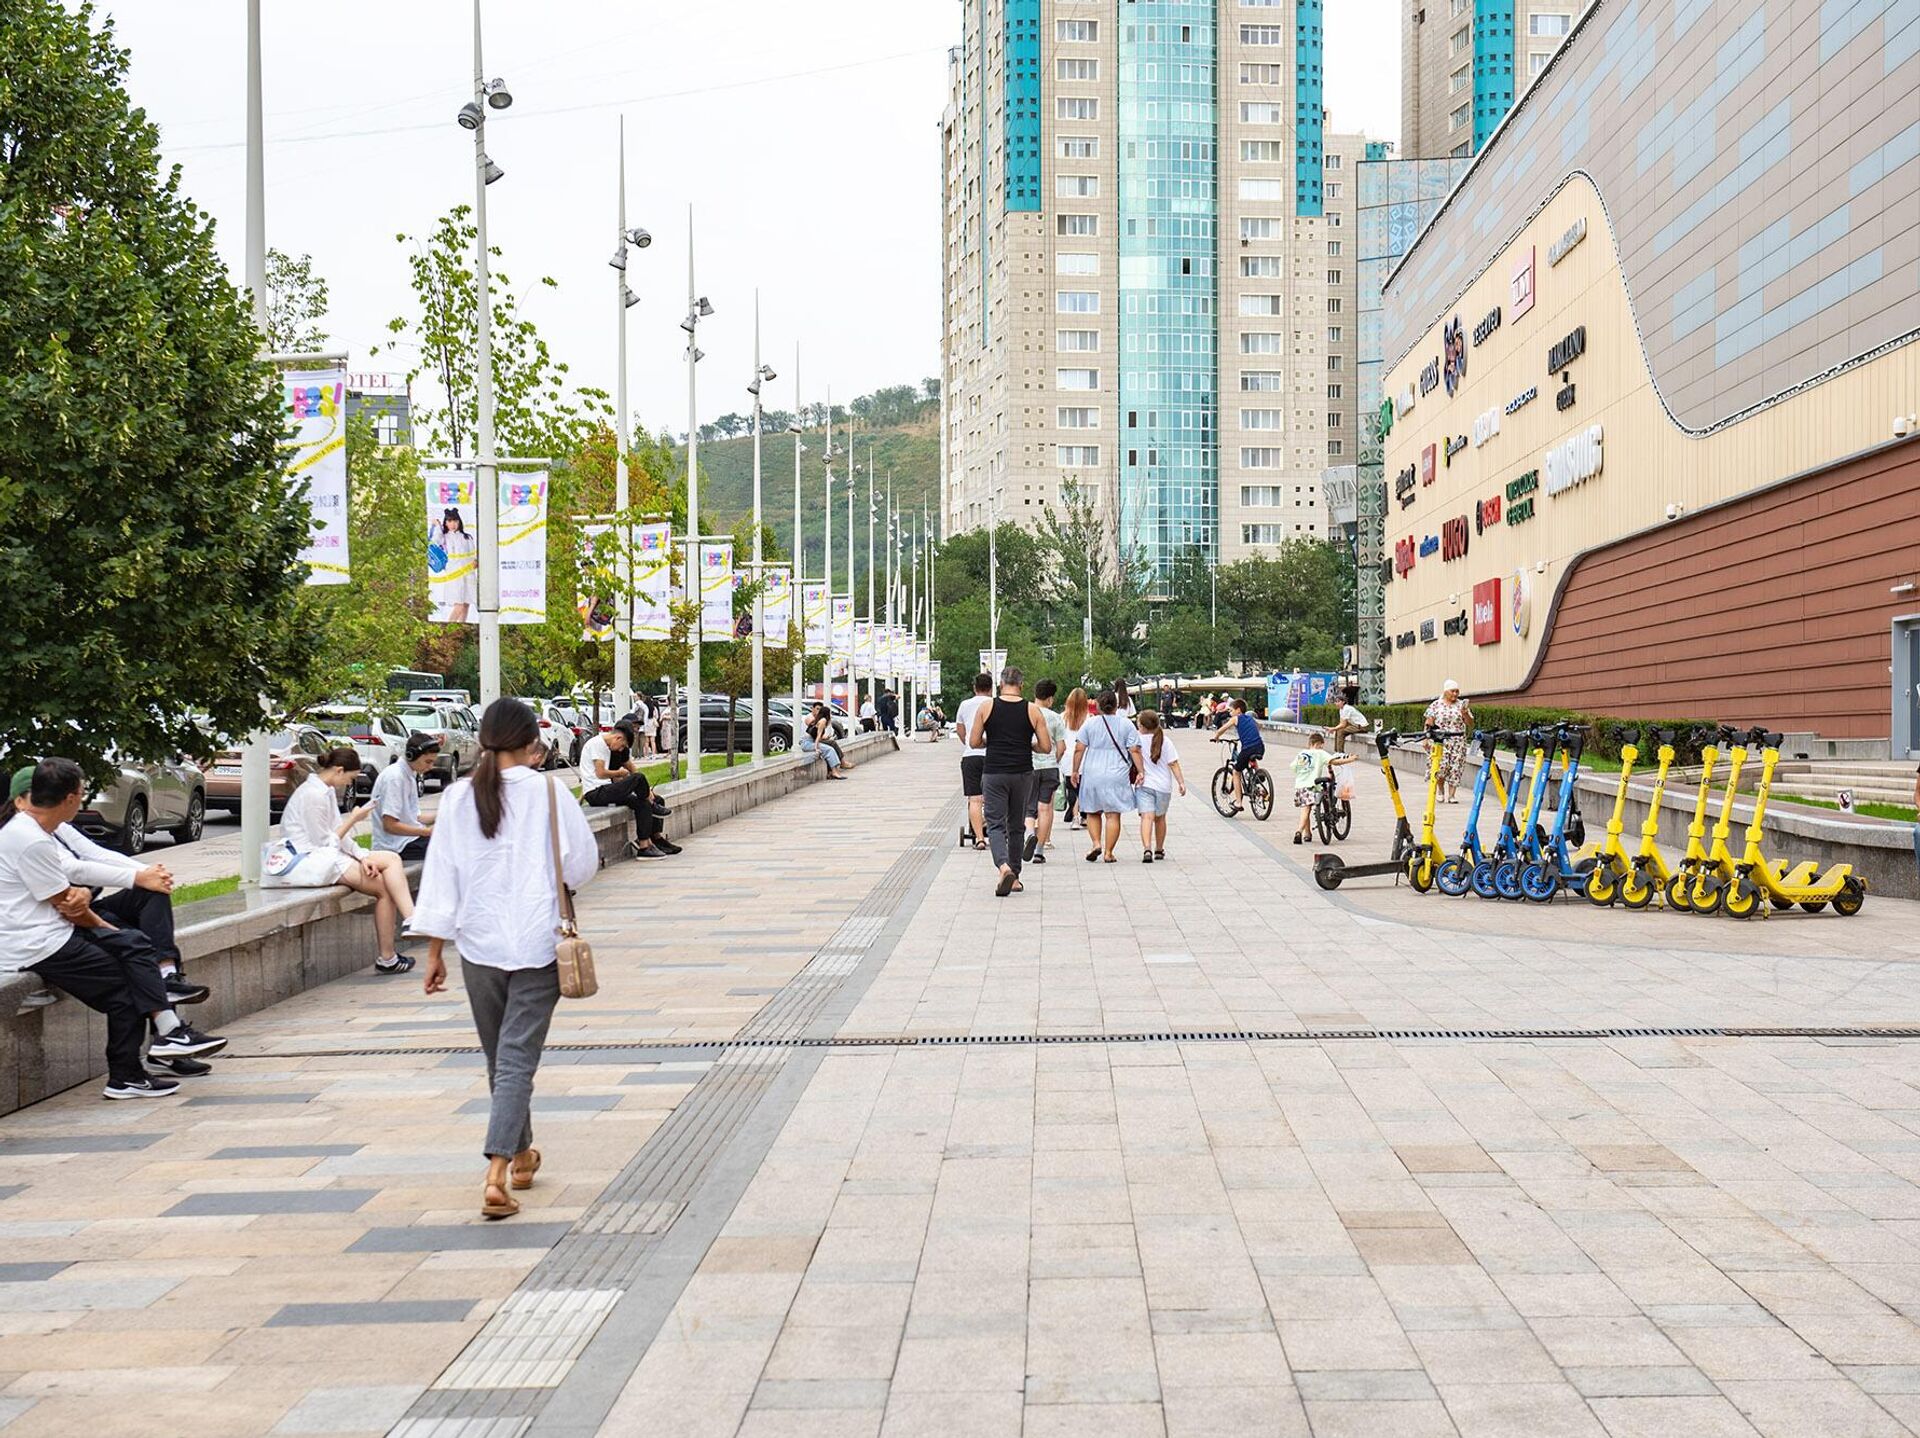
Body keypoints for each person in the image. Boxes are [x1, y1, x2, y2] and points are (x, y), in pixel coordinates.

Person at [416, 698, 599, 1219]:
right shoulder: (549, 792)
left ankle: (522, 1157)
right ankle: (496, 1174)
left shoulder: (458, 797)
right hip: (540, 942)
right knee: (516, 1058)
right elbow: (581, 866)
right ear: (530, 742)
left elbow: (441, 878)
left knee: (502, 1058)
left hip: (479, 945)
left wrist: (434, 952)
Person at [1, 759, 225, 1099]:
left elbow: (81, 877)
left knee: (134, 949)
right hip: (38, 944)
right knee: (127, 984)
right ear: (70, 798)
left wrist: (141, 877)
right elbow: (69, 905)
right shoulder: (30, 840)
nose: (83, 800)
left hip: (51, 932)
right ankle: (134, 1067)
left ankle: (159, 1038)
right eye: (82, 794)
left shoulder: (39, 830)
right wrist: (109, 928)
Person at [279, 747, 419, 974]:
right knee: (384, 889)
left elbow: (338, 836)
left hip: (327, 856)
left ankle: (411, 920)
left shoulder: (323, 790)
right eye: (350, 778)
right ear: (339, 770)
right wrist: (353, 819)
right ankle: (389, 955)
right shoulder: (313, 795)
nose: (349, 783)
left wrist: (362, 856)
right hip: (311, 861)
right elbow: (326, 844)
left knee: (392, 859)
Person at [968, 666, 1053, 896]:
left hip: (994, 772)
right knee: (1016, 825)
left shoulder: (987, 707)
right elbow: (1046, 747)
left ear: (1000, 684)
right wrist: (1029, 745)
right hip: (1022, 773)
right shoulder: (1033, 710)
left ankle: (1003, 867)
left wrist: (990, 742)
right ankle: (1014, 877)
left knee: (995, 824)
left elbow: (973, 742)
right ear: (1022, 685)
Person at [578, 723, 675, 858]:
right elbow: (600, 773)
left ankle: (644, 846)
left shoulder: (605, 746)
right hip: (596, 793)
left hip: (605, 788)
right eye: (622, 746)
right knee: (638, 778)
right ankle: (652, 804)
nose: (620, 750)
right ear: (618, 738)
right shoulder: (597, 744)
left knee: (642, 803)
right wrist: (620, 773)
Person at [1073, 689, 1145, 863]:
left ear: (1098, 705)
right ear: (1116, 705)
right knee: (1113, 815)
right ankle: (1109, 852)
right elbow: (1134, 749)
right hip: (1117, 772)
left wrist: (1075, 770)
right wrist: (1141, 771)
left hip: (1093, 771)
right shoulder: (1126, 724)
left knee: (1092, 811)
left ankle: (1096, 843)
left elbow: (1079, 749)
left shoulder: (1090, 724)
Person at [370, 733, 440, 861]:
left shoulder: (408, 775)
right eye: (428, 762)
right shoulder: (395, 778)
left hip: (408, 840)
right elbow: (390, 825)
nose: (430, 767)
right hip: (396, 846)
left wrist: (443, 815)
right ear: (411, 755)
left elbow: (414, 817)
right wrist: (427, 832)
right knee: (450, 847)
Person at [1134, 711, 1187, 862]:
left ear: (1142, 726)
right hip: (1163, 786)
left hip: (1144, 784)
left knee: (1146, 817)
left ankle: (1147, 848)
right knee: (1160, 818)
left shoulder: (1137, 741)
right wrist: (1181, 782)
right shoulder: (1165, 741)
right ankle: (1159, 849)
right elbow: (1173, 763)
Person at [1025, 679, 1068, 864]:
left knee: (1028, 808)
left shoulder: (1025, 712)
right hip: (1049, 767)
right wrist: (1053, 760)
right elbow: (1062, 747)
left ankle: (1029, 834)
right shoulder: (1056, 717)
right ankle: (1039, 850)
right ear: (1050, 698)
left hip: (1029, 766)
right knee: (1045, 808)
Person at [1290, 732, 1356, 845]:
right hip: (1311, 785)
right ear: (1318, 744)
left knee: (1305, 808)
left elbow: (1293, 767)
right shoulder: (1320, 753)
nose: (1322, 748)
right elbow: (1334, 761)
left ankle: (1307, 834)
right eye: (1321, 746)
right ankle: (1299, 831)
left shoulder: (1301, 753)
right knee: (1306, 809)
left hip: (1300, 785)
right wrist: (1350, 759)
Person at [955, 673, 993, 850]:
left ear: (974, 688)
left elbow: (960, 731)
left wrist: (970, 742)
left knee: (975, 799)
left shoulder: (965, 705)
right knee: (994, 797)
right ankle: (996, 831)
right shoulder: (995, 704)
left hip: (971, 755)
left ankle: (979, 838)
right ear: (991, 688)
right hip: (992, 754)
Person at [1210, 699, 1267, 815]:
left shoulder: (1235, 718)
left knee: (1236, 772)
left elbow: (1222, 729)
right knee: (1251, 757)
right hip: (1260, 746)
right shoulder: (1250, 718)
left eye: (1231, 710)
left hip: (1248, 748)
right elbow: (1257, 727)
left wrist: (1216, 737)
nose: (1230, 713)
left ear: (1238, 710)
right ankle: (1257, 774)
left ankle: (1238, 803)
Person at [1423, 680, 1474, 804]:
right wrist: (1426, 738)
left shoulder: (1461, 705)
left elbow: (1470, 723)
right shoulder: (1436, 705)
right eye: (1452, 691)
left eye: (1457, 691)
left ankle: (1452, 795)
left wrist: (1465, 714)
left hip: (1458, 741)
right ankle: (1441, 791)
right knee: (1441, 766)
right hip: (1440, 741)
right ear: (1445, 691)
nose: (1455, 694)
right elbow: (1429, 722)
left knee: (1456, 767)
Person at [431, 508, 477, 623]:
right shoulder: (444, 537)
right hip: (455, 573)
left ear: (459, 522)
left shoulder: (467, 537)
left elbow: (473, 553)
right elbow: (435, 541)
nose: (453, 524)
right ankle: (449, 629)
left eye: (455, 521)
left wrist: (476, 561)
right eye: (450, 521)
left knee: (466, 604)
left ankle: (461, 627)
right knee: (459, 605)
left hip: (468, 572)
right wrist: (438, 526)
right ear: (446, 523)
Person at [1061, 687, 1090, 829]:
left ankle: (1075, 816)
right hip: (1084, 756)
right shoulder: (1089, 719)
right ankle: (1082, 816)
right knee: (1083, 788)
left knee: (1071, 788)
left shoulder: (1062, 718)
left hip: (1067, 757)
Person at [802, 703, 850, 778]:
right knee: (829, 750)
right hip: (807, 743)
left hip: (810, 741)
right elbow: (818, 737)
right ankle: (834, 772)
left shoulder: (819, 720)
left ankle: (832, 771)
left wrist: (826, 738)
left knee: (831, 745)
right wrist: (816, 748)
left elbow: (816, 735)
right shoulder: (823, 721)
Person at [1329, 686, 1371, 754]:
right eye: (1335, 702)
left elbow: (1343, 724)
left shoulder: (1346, 708)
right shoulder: (1341, 709)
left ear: (1343, 702)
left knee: (1341, 732)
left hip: (1362, 727)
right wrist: (1334, 729)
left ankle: (1340, 753)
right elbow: (1341, 723)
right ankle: (1337, 751)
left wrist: (1333, 728)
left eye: (1338, 701)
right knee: (1338, 730)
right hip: (1355, 726)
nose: (1336, 703)